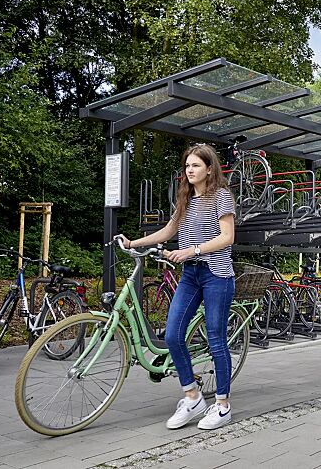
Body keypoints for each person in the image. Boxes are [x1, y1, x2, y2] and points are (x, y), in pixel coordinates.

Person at [117, 143, 236, 431]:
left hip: (217, 274)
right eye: (187, 166)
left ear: (209, 168)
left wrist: (192, 250)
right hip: (191, 275)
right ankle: (193, 398)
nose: (189, 170)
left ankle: (222, 406)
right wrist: (133, 242)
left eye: (196, 165)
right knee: (172, 335)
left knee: (216, 340)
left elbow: (227, 237)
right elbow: (169, 230)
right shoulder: (185, 199)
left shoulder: (221, 196)